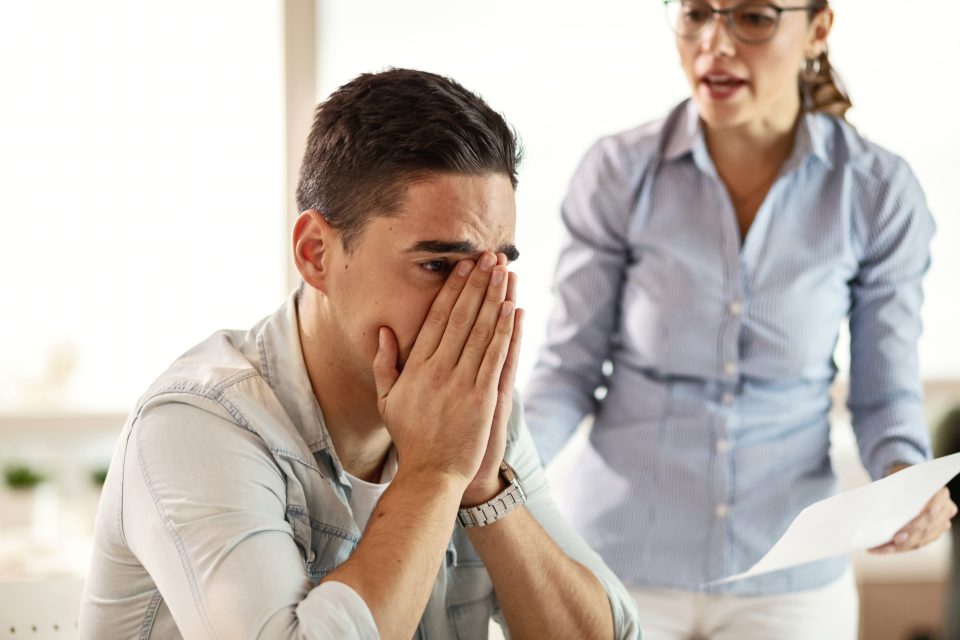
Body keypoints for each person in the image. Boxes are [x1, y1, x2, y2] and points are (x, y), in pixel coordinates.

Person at [79, 68, 641, 640]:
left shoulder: (473, 409)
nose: (474, 308)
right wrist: (435, 473)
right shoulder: (197, 423)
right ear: (316, 253)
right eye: (438, 265)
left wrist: (481, 488)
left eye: (495, 269)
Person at [523, 1, 955, 638]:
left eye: (752, 17)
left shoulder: (877, 190)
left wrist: (903, 481)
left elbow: (883, 395)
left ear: (818, 28)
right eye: (696, 13)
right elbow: (566, 372)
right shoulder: (618, 171)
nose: (715, 44)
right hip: (618, 562)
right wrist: (488, 477)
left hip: (789, 575)